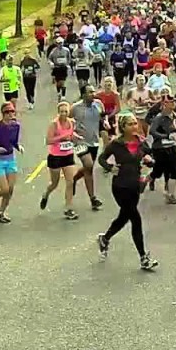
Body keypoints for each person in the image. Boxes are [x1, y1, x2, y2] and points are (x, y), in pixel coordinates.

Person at [96, 113, 159, 271]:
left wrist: (149, 161)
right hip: (120, 186)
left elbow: (151, 158)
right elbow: (102, 159)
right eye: (130, 124)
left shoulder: (141, 142)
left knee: (124, 217)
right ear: (123, 127)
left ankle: (105, 238)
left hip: (134, 186)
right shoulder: (116, 144)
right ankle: (143, 257)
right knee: (135, 219)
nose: (134, 127)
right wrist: (111, 168)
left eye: (135, 123)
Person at [41, 101, 80, 220]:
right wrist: (62, 138)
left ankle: (68, 208)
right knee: (54, 183)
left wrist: (75, 138)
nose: (64, 114)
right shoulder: (54, 124)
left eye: (66, 111)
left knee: (70, 182)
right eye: (61, 111)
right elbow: (48, 140)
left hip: (68, 155)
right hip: (55, 156)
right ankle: (46, 194)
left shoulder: (72, 123)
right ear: (58, 112)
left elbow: (72, 136)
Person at [70, 86, 105, 211]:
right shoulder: (75, 108)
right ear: (83, 95)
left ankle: (74, 179)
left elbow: (102, 118)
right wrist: (71, 134)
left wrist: (105, 123)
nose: (93, 94)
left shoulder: (98, 104)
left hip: (94, 141)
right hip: (80, 142)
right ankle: (93, 198)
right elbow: (66, 120)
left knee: (88, 169)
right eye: (90, 92)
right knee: (88, 165)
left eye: (93, 91)